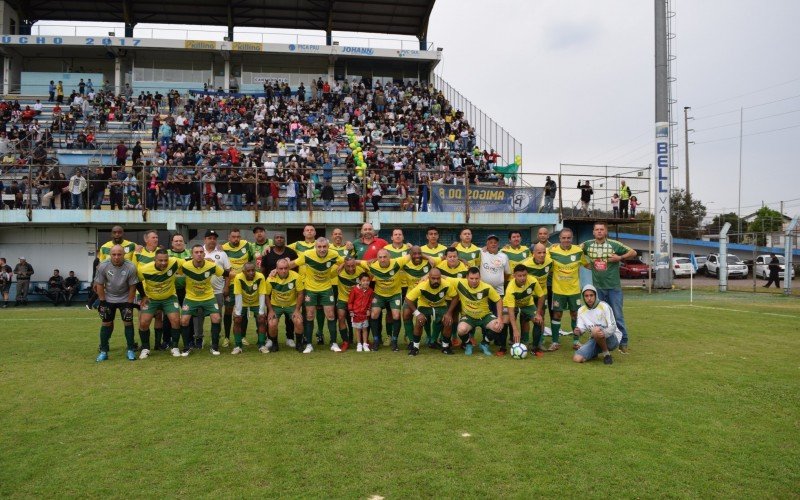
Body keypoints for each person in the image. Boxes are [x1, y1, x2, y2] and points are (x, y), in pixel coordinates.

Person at [581, 222, 636, 353]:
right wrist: (586, 264)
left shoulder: (614, 244)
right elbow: (575, 250)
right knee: (599, 316)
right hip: (598, 289)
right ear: (593, 232)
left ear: (605, 232)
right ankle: (601, 341)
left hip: (613, 288)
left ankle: (623, 342)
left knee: (617, 315)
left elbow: (633, 252)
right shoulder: (588, 245)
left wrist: (620, 257)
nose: (599, 232)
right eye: (597, 230)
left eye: (602, 229)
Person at [286, 237, 345, 353]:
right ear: (315, 247)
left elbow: (345, 261)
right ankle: (308, 344)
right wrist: (275, 270)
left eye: (324, 247)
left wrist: (341, 266)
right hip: (310, 289)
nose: (322, 249)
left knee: (331, 315)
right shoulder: (307, 254)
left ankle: (333, 343)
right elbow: (291, 265)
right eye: (319, 247)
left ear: (328, 247)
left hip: (326, 288)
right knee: (310, 315)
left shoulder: (333, 254)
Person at [180, 244, 229, 355]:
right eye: (196, 252)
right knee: (183, 320)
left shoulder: (211, 265)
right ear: (192, 254)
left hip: (208, 297)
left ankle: (215, 347)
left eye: (201, 252)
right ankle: (187, 347)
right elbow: (171, 264)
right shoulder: (184, 265)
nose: (199, 254)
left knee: (216, 318)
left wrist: (244, 273)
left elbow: (227, 273)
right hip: (191, 298)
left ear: (204, 253)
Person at [137, 249, 186, 359]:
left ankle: (174, 347)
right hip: (151, 299)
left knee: (176, 320)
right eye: (160, 260)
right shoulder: (144, 269)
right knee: (144, 322)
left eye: (165, 260)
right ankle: (145, 348)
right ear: (155, 259)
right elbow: (137, 281)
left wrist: (205, 259)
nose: (164, 263)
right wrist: (143, 295)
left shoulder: (174, 262)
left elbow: (188, 261)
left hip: (169, 297)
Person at [93, 245, 138, 362]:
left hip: (125, 298)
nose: (116, 257)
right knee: (106, 323)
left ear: (124, 254)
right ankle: (103, 351)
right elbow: (99, 285)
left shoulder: (131, 267)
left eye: (119, 254)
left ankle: (130, 350)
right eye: (114, 254)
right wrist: (102, 302)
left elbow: (133, 287)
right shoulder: (103, 266)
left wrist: (129, 304)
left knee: (128, 322)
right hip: (108, 298)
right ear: (110, 255)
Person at [448, 267, 504, 356]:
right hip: (468, 316)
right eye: (471, 278)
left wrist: (500, 318)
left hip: (485, 315)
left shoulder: (487, 287)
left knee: (498, 326)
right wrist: (427, 276)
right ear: (467, 277)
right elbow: (442, 277)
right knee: (461, 330)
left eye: (476, 278)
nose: (474, 281)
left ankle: (484, 343)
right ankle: (468, 344)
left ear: (480, 277)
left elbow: (498, 300)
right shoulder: (459, 283)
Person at [403, 268, 457, 356]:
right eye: (433, 278)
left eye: (438, 278)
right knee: (419, 321)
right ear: (428, 277)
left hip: (440, 305)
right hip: (424, 306)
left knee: (448, 321)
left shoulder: (446, 285)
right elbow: (408, 299)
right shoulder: (422, 286)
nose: (436, 280)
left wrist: (449, 313)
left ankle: (445, 347)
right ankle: (415, 347)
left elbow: (455, 297)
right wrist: (417, 313)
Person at [548, 228, 585, 351]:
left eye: (568, 237)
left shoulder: (579, 251)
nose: (566, 240)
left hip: (574, 290)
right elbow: (539, 253)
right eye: (563, 238)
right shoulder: (552, 251)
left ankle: (576, 341)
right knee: (557, 314)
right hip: (558, 290)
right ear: (559, 239)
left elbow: (588, 264)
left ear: (572, 238)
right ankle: (555, 342)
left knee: (575, 315)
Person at [197, 230, 231, 349]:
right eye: (209, 238)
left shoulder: (222, 254)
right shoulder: (198, 251)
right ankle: (199, 339)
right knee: (198, 316)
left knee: (216, 316)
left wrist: (226, 287)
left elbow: (228, 272)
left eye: (214, 238)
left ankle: (214, 339)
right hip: (200, 292)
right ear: (205, 239)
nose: (212, 240)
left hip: (217, 291)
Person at [221, 228, 255, 347]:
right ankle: (226, 337)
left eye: (238, 237)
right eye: (233, 237)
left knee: (243, 310)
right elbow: (225, 269)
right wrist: (225, 286)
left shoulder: (247, 245)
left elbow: (251, 262)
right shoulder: (223, 248)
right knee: (229, 310)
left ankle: (243, 336)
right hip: (230, 284)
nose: (236, 239)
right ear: (229, 238)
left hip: (245, 283)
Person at [572, 285, 621, 365]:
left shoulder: (604, 306)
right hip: (595, 339)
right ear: (583, 297)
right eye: (586, 296)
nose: (589, 298)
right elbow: (581, 328)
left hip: (611, 339)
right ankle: (594, 352)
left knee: (595, 330)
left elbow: (613, 326)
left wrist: (604, 333)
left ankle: (606, 355)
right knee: (577, 358)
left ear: (595, 295)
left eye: (591, 295)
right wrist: (578, 331)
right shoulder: (581, 310)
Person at [504, 264, 546, 357]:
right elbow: (511, 310)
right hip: (512, 305)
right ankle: (503, 348)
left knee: (539, 321)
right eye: (519, 276)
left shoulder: (533, 281)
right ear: (514, 276)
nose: (522, 278)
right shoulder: (510, 288)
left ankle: (535, 348)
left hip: (527, 304)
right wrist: (515, 330)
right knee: (505, 321)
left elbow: (541, 296)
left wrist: (538, 313)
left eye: (524, 275)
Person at [264, 259, 305, 352]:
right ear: (276, 269)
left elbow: (300, 293)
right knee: (271, 323)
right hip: (276, 305)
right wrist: (270, 310)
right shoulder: (271, 278)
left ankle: (299, 344)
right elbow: (266, 294)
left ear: (289, 268)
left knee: (298, 321)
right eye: (281, 268)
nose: (283, 270)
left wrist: (297, 309)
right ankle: (274, 344)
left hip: (291, 305)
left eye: (286, 268)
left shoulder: (296, 276)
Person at [480, 235, 511, 355]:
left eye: (495, 242)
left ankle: (498, 340)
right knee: (486, 316)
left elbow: (508, 273)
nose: (493, 244)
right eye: (490, 242)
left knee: (500, 316)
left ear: (498, 244)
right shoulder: (481, 253)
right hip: (484, 293)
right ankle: (485, 339)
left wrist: (500, 281)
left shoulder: (503, 256)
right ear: (487, 244)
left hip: (499, 293)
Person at [231, 262, 268, 354]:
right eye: (248, 271)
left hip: (256, 302)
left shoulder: (260, 277)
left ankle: (262, 344)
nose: (251, 272)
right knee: (237, 320)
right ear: (243, 272)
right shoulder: (238, 277)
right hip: (242, 302)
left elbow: (262, 294)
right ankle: (238, 346)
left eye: (253, 270)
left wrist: (261, 312)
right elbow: (238, 295)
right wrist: (238, 313)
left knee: (262, 319)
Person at [348, 273, 374, 352]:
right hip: (356, 314)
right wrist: (351, 310)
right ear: (360, 281)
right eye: (363, 281)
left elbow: (370, 301)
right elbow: (350, 301)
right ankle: (359, 344)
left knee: (365, 329)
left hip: (364, 314)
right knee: (358, 329)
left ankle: (365, 344)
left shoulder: (370, 291)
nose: (366, 282)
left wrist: (369, 310)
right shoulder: (355, 290)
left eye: (367, 281)